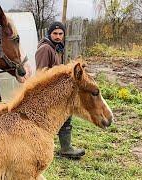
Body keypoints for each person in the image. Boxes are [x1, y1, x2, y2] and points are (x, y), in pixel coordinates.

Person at [35, 21, 85, 159]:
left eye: (60, 33)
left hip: (55, 92)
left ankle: (65, 148)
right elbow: (41, 74)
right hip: (48, 93)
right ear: (49, 34)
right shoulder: (45, 49)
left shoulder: (56, 48)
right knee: (48, 121)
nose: (58, 36)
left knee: (63, 118)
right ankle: (62, 149)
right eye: (55, 33)